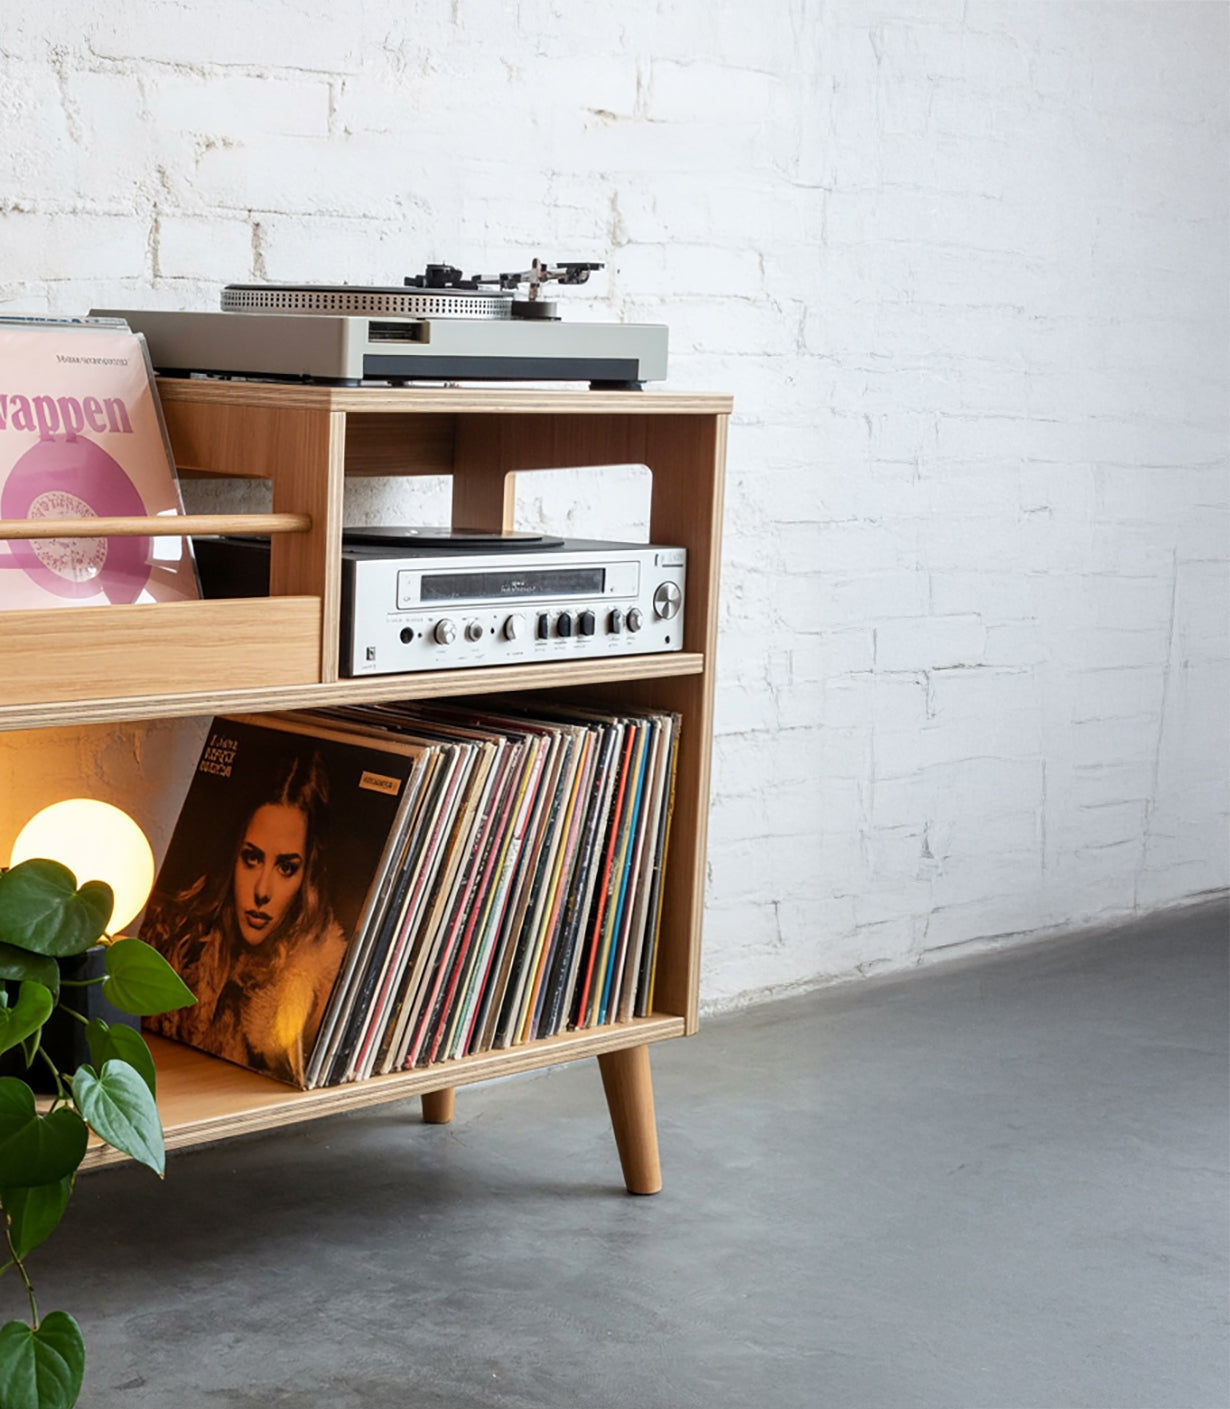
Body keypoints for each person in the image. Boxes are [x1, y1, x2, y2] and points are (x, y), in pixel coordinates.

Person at [143, 750, 346, 1087]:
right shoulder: (175, 945)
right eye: (252, 858)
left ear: (307, 878)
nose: (262, 890)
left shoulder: (316, 994)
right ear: (232, 857)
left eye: (286, 867)